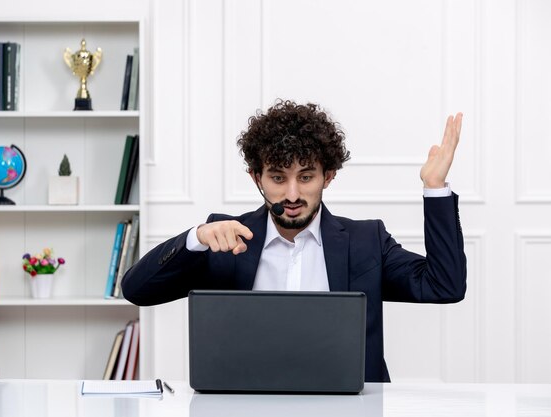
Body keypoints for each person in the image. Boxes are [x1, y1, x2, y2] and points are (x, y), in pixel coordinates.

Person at [121, 100, 466, 382]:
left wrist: (435, 188)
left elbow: (444, 285)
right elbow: (137, 290)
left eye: (306, 177)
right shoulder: (223, 239)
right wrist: (194, 240)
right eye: (276, 177)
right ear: (256, 177)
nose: (291, 194)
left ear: (328, 176)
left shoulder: (366, 242)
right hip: (244, 407)